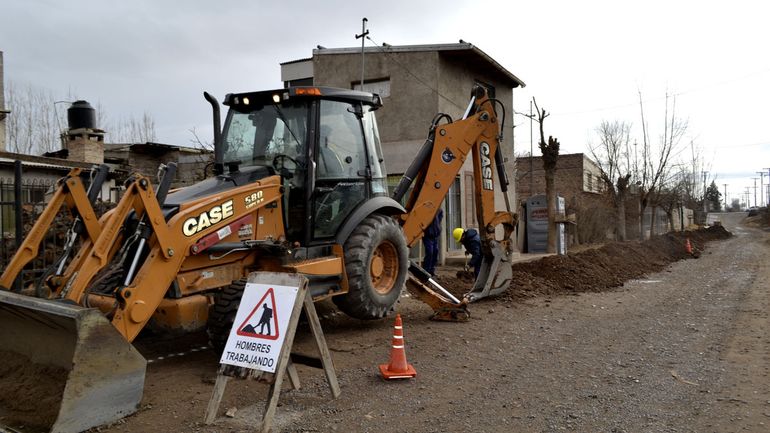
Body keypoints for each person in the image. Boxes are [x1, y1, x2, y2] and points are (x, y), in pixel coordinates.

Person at [422, 208, 443, 276]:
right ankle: (426, 271)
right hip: (427, 235)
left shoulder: (439, 210)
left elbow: (440, 217)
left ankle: (431, 270)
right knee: (430, 252)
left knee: (435, 252)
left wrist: (438, 228)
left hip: (435, 235)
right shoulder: (426, 209)